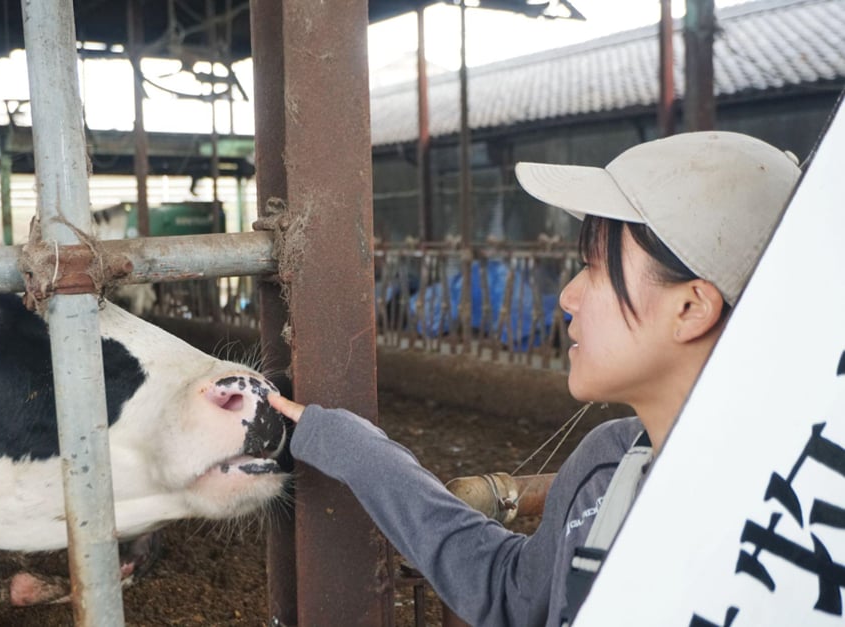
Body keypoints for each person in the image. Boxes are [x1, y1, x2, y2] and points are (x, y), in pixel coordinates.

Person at [268, 131, 802, 627]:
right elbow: (513, 591)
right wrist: (357, 450)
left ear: (691, 307)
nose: (568, 296)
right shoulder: (611, 461)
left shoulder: (800, 535)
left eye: (595, 266)